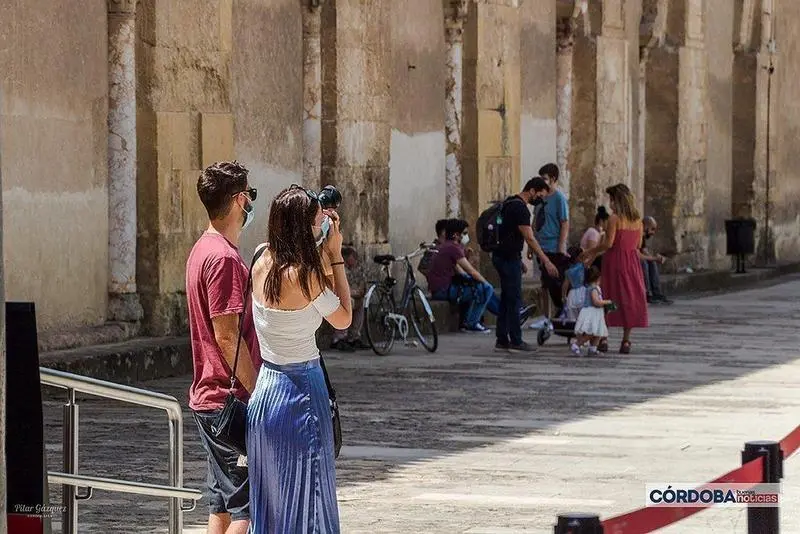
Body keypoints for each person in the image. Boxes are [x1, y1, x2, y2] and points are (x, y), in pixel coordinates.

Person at [248, 185, 352, 533]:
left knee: (272, 498)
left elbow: (298, 271)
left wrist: (321, 247)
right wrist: (336, 255)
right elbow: (343, 318)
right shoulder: (305, 275)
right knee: (311, 496)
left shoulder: (261, 259)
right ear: (304, 227)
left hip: (266, 391)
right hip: (301, 392)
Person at [185, 160, 261, 534]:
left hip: (211, 397)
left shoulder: (203, 249)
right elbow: (227, 336)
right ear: (240, 200)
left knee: (223, 506)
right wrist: (260, 392)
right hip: (228, 400)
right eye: (250, 197)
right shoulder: (224, 259)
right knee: (247, 510)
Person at [580, 183, 648, 354]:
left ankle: (603, 338)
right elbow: (638, 245)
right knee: (629, 298)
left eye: (611, 199)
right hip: (632, 262)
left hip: (615, 261)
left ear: (617, 200)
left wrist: (589, 252)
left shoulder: (614, 219)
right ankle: (626, 341)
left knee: (609, 296)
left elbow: (608, 244)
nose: (610, 203)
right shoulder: (638, 221)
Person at [493, 177, 558, 353]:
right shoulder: (520, 208)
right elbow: (529, 237)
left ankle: (502, 338)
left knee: (507, 298)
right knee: (514, 299)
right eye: (540, 196)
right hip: (508, 259)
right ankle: (516, 339)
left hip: (502, 256)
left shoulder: (509, 202)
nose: (540, 200)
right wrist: (546, 260)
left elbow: (508, 234)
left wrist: (519, 259)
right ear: (532, 191)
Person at [426, 219, 494, 333]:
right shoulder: (452, 248)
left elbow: (462, 271)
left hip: (439, 289)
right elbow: (471, 271)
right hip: (442, 291)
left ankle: (467, 322)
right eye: (464, 233)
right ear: (456, 235)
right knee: (486, 289)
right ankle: (472, 323)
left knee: (477, 286)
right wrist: (486, 283)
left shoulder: (446, 246)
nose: (466, 236)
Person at [529, 163, 571, 318]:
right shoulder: (540, 197)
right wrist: (530, 245)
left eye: (545, 178)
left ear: (553, 179)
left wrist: (561, 246)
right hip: (540, 244)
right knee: (544, 284)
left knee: (553, 281)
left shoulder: (559, 198)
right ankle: (546, 316)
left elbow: (564, 222)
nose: (542, 181)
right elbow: (535, 220)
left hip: (553, 245)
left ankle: (560, 311)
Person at [330, 246, 370, 351]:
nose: (354, 261)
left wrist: (359, 292)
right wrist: (351, 293)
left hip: (354, 294)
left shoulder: (358, 268)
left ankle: (354, 336)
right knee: (349, 303)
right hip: (340, 297)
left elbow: (363, 284)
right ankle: (339, 338)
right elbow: (337, 286)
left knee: (361, 303)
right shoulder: (340, 268)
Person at [571, 266, 614, 357]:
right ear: (599, 277)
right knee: (591, 333)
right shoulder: (594, 289)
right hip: (592, 313)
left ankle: (593, 348)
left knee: (598, 333)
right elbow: (596, 302)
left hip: (596, 313)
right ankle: (577, 345)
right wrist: (607, 302)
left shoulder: (592, 287)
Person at [640, 216, 673, 305]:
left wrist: (655, 258)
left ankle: (656, 293)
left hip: (640, 258)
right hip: (634, 259)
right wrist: (653, 258)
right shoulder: (638, 234)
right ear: (646, 226)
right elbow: (638, 255)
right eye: (652, 229)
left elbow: (644, 251)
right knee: (645, 263)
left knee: (652, 262)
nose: (653, 233)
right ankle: (647, 293)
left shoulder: (642, 236)